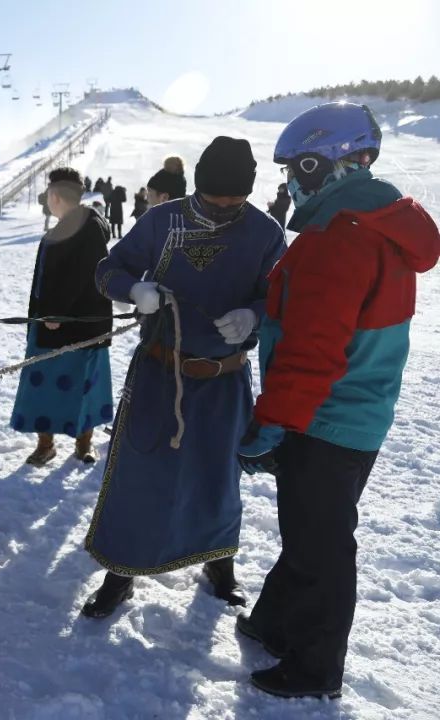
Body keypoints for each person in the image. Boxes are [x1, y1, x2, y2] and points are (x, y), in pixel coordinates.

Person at [236, 103, 440, 700]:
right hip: (353, 413)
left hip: (326, 416)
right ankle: (276, 623)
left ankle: (314, 668)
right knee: (308, 530)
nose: (290, 184)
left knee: (321, 543)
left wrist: (272, 421)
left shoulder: (340, 239)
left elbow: (314, 348)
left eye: (295, 170)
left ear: (320, 163)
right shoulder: (368, 225)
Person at [82, 136, 287, 619]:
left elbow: (281, 296)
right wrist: (133, 288)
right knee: (140, 473)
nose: (221, 209)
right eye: (212, 199)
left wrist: (254, 314)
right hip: (159, 370)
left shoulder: (265, 233)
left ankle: (219, 564)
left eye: (233, 201)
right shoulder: (161, 219)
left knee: (218, 479)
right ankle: (121, 572)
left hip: (224, 379)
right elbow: (108, 269)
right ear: (197, 187)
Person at [10, 167, 114, 466]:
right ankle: (46, 444)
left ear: (56, 196)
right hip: (49, 324)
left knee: (84, 385)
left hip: (79, 326)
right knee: (44, 385)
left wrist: (57, 313)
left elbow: (83, 275)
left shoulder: (88, 226)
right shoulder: (62, 227)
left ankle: (84, 444)